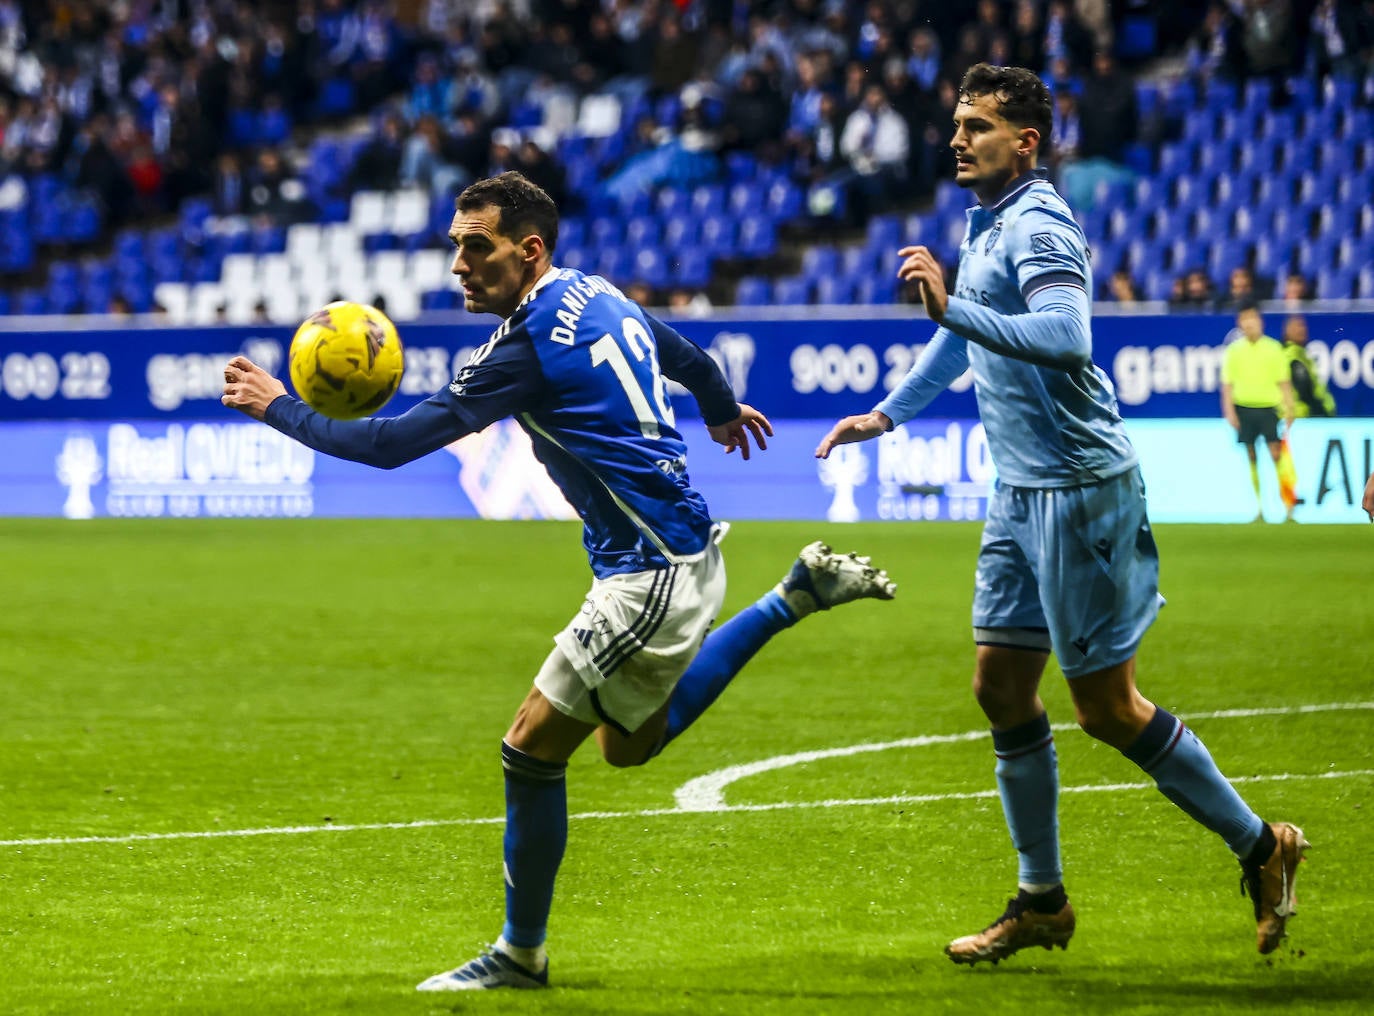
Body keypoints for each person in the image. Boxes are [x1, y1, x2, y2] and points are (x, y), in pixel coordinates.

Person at [222, 171, 897, 991]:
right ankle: (793, 596)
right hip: (673, 555)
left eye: (478, 247)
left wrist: (276, 406)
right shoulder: (594, 291)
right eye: (455, 247)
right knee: (627, 744)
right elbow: (683, 352)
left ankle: (518, 954)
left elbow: (390, 445)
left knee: (529, 749)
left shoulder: (526, 346)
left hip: (650, 574)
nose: (460, 265)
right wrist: (719, 404)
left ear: (528, 249)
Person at [815, 64, 1308, 967]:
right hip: (1018, 489)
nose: (958, 138)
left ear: (1025, 143)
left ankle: (1261, 846)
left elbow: (1066, 334)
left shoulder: (1039, 223)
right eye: (957, 123)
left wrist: (954, 303)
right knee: (1000, 687)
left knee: (1107, 709)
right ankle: (1041, 902)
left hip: (1079, 487)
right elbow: (958, 335)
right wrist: (889, 414)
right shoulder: (991, 222)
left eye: (977, 126)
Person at [1222, 304, 1300, 522]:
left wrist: (1290, 409)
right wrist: (1229, 411)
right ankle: (1259, 508)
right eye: (1245, 320)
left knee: (1277, 454)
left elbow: (1284, 382)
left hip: (1269, 408)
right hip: (1244, 407)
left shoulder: (1274, 349)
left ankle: (1288, 505)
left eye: (1253, 319)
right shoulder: (1234, 351)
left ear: (1260, 322)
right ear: (1240, 324)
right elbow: (1227, 385)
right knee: (1251, 455)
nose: (1249, 324)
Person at [1282, 315, 1336, 418]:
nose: (1302, 329)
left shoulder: (1302, 354)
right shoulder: (1292, 357)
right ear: (1287, 330)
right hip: (1304, 416)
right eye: (1297, 326)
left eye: (1303, 326)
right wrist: (1320, 410)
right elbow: (1305, 391)